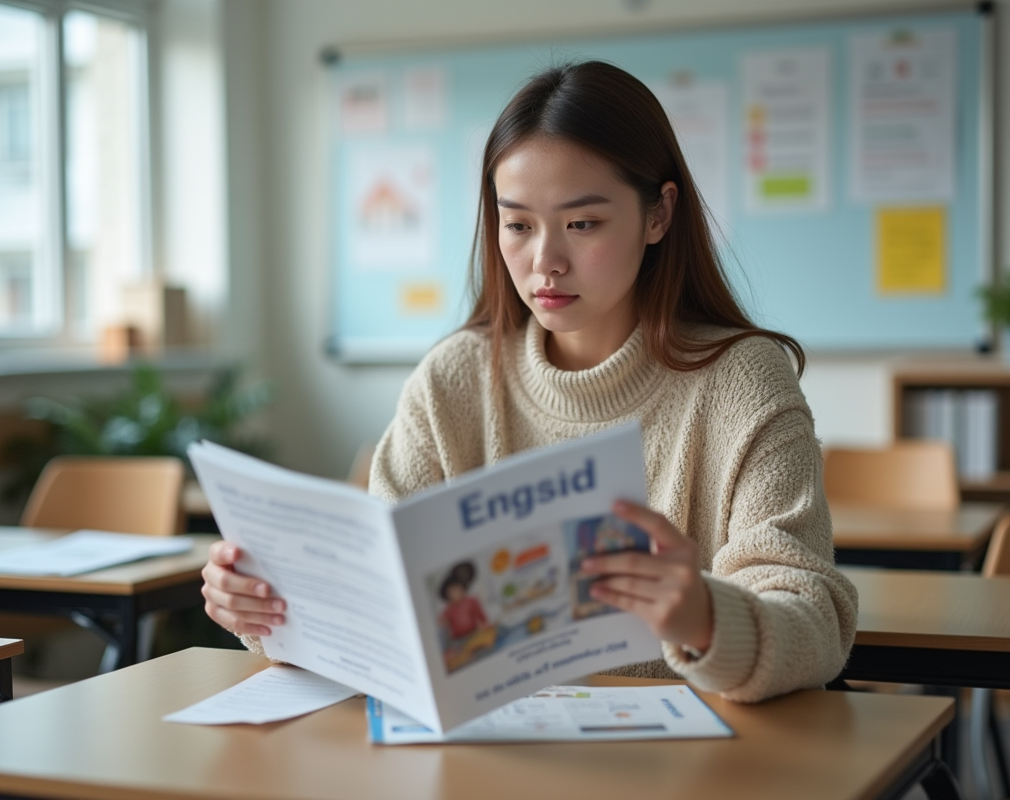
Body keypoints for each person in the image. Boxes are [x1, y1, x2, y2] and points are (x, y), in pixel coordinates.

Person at [201, 60, 858, 703]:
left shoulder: (743, 382)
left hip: (684, 752)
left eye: (582, 224)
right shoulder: (453, 380)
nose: (546, 261)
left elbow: (817, 623)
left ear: (658, 214)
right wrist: (270, 608)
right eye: (517, 224)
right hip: (483, 747)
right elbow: (377, 602)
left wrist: (704, 617)